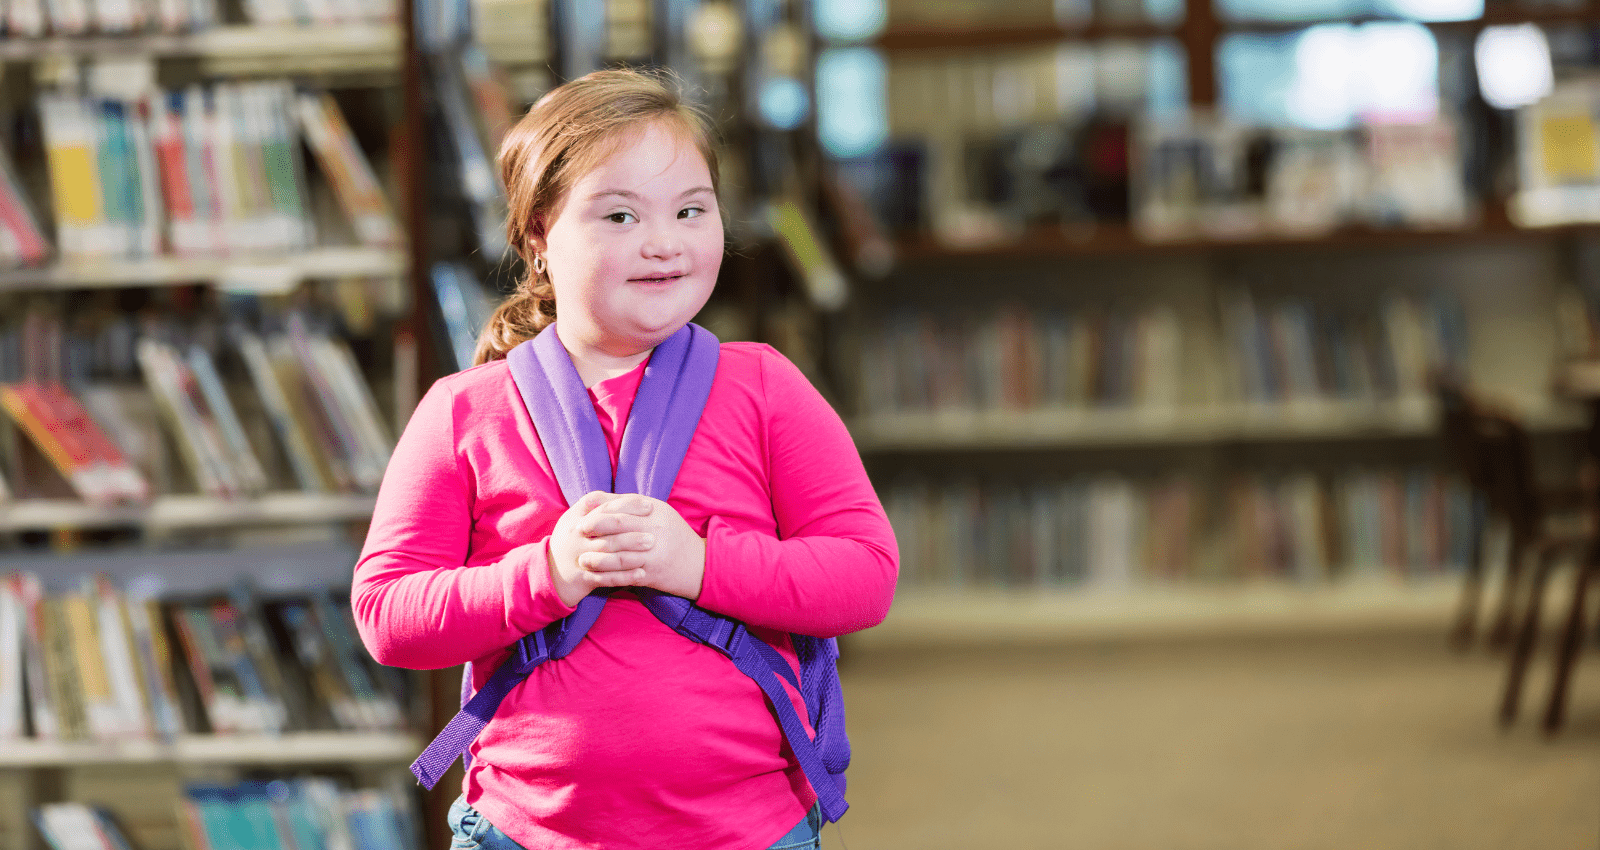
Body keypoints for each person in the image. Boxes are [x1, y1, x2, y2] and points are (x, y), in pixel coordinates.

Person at [351, 68, 899, 850]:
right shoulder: (463, 411)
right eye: (618, 214)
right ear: (538, 234)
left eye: (690, 210)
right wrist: (545, 576)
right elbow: (387, 615)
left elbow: (864, 575)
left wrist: (702, 564)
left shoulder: (767, 388)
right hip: (523, 832)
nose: (665, 241)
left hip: (747, 832)